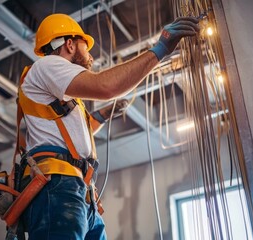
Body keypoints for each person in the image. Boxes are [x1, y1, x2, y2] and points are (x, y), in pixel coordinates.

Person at [20, 13, 199, 240]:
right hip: (59, 185)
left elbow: (68, 138)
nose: (91, 55)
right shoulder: (48, 64)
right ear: (70, 44)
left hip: (76, 189)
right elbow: (105, 86)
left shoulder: (58, 89)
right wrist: (160, 49)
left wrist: (101, 116)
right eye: (87, 47)